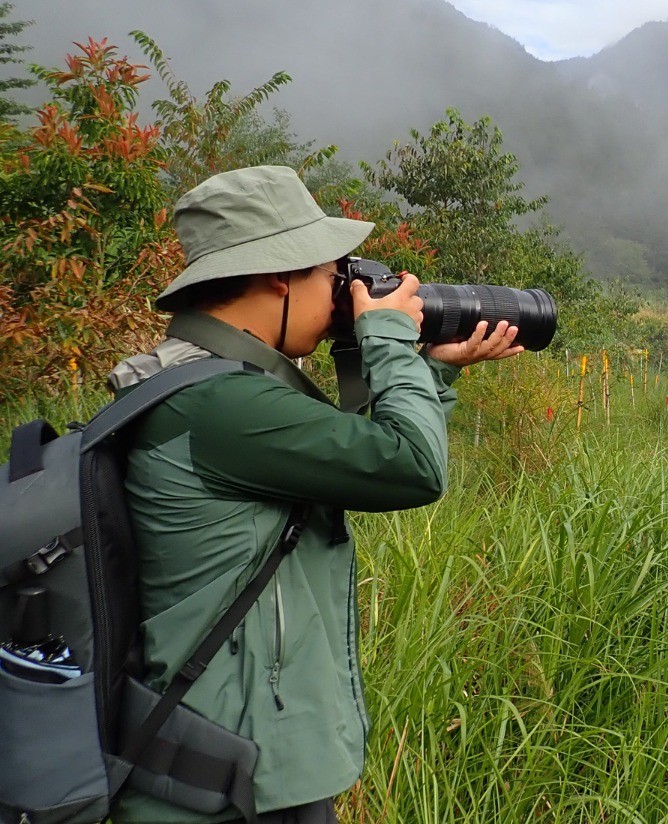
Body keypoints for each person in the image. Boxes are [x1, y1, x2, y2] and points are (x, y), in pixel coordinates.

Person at [106, 165, 523, 824]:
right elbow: (409, 465)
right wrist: (388, 336)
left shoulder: (208, 387)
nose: (342, 297)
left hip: (228, 762)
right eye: (333, 277)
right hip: (225, 782)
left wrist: (429, 374)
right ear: (281, 273)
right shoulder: (220, 403)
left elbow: (340, 457)